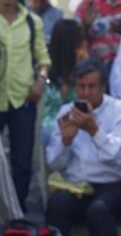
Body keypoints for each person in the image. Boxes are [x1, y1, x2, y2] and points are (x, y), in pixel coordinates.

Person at [0, 0, 52, 211]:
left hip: (24, 99)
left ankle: (20, 215)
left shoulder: (32, 21)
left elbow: (43, 58)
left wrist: (41, 81)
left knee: (22, 162)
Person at [46, 58, 121, 236]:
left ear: (103, 86)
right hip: (77, 186)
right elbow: (54, 165)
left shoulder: (117, 111)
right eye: (81, 86)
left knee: (98, 211)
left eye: (91, 86)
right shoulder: (66, 113)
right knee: (57, 204)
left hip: (112, 186)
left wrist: (94, 131)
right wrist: (65, 142)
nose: (86, 92)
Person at [44, 19, 86, 140]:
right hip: (54, 128)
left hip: (78, 125)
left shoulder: (81, 62)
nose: (83, 44)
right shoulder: (49, 68)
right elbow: (62, 97)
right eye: (79, 41)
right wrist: (75, 70)